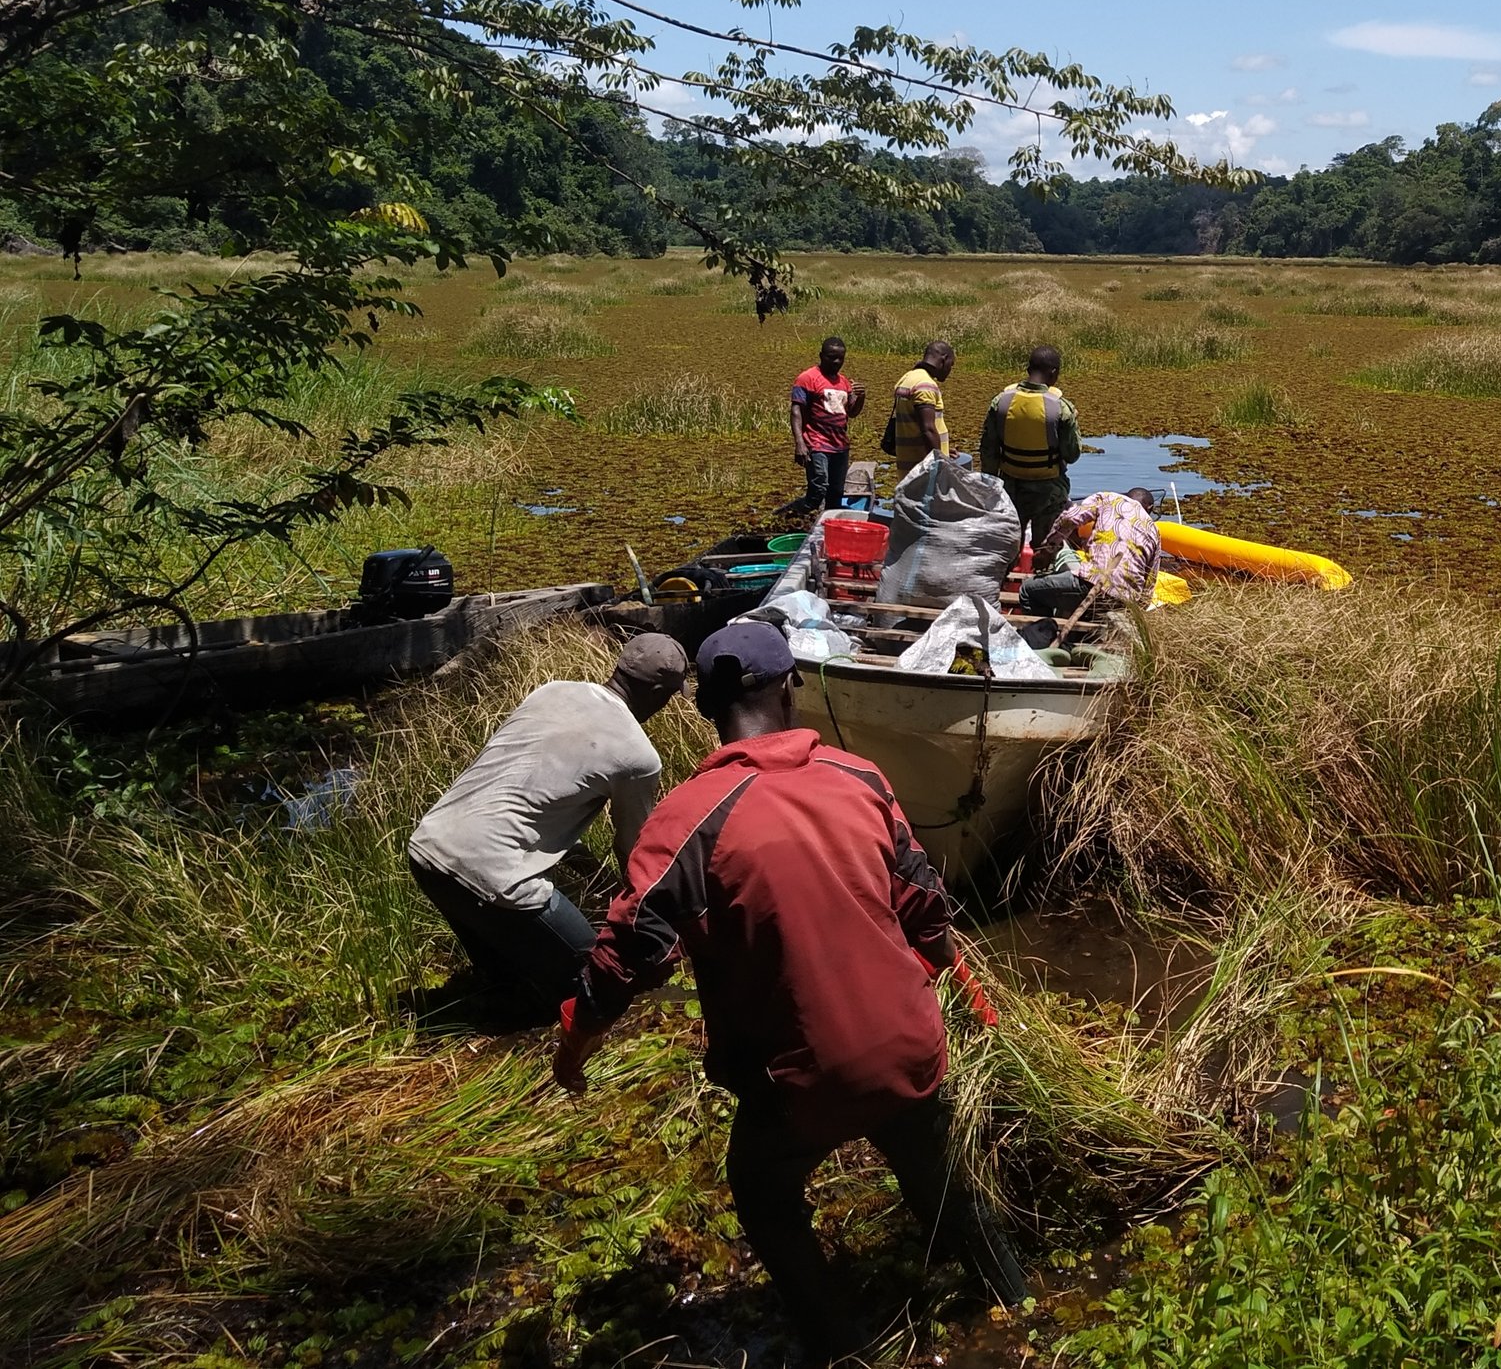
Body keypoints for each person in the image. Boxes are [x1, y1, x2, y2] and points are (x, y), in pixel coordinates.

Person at [554, 622, 1025, 1360]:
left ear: (705, 706)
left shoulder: (682, 821)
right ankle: (1014, 1301)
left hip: (801, 1079)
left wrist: (575, 1042)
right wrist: (965, 992)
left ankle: (840, 1347)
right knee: (940, 1175)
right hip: (910, 1046)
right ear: (789, 687)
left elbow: (625, 953)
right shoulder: (860, 778)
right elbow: (928, 910)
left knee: (761, 1186)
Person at [406, 633, 689, 1022]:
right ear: (659, 693)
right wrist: (658, 927)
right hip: (492, 874)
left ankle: (499, 1016)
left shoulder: (551, 691)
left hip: (428, 849)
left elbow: (530, 803)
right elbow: (633, 854)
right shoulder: (638, 757)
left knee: (505, 977)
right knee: (598, 983)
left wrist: (595, 877)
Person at [977, 345, 1081, 551]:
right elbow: (1072, 454)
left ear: (1028, 369)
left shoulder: (1001, 402)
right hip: (1049, 490)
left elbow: (988, 450)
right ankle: (1041, 578)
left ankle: (1006, 579)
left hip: (1011, 487)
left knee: (1008, 546)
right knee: (1046, 547)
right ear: (1053, 372)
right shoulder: (1061, 408)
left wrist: (991, 484)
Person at [1019, 486, 1164, 616]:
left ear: (1126, 495)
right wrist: (1136, 613)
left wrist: (1047, 551)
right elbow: (1150, 581)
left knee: (1028, 591)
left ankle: (1042, 637)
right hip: (1126, 600)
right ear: (1150, 508)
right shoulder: (1154, 531)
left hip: (1090, 585)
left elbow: (1070, 518)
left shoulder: (1109, 499)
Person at [783, 334, 868, 519]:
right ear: (821, 356)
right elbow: (796, 411)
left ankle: (826, 527)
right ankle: (791, 518)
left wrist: (860, 396)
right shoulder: (807, 378)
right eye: (831, 357)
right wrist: (799, 443)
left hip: (839, 445)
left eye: (840, 358)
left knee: (836, 493)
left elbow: (851, 413)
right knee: (819, 488)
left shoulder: (844, 382)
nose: (836, 362)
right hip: (816, 442)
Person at [884, 340, 954, 477]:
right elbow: (928, 429)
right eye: (951, 365)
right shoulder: (925, 385)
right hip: (923, 474)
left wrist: (944, 449)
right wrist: (939, 461)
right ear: (944, 359)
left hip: (908, 468)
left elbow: (913, 425)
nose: (950, 370)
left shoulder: (908, 377)